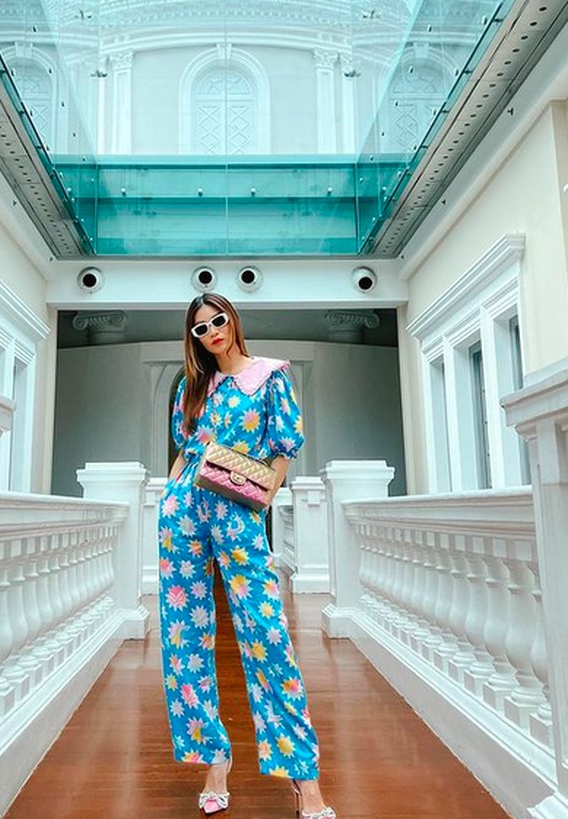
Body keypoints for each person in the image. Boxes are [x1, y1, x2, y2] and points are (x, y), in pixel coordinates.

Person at [158, 292, 335, 818]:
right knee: (184, 637)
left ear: (233, 320)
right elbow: (184, 449)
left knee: (266, 633)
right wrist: (168, 499)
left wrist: (264, 495)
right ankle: (214, 760)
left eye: (217, 320)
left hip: (237, 508)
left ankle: (304, 778)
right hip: (183, 511)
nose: (211, 330)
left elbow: (282, 450)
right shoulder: (194, 387)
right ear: (193, 339)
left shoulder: (271, 375)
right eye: (199, 328)